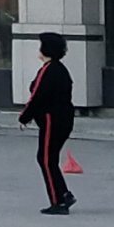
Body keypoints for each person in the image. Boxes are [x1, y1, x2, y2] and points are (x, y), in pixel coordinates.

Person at [19, 31, 77, 215]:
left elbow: (37, 96)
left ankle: (57, 201)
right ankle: (64, 194)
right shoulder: (59, 69)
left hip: (52, 119)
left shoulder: (49, 70)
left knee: (45, 159)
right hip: (63, 118)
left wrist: (24, 117)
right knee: (49, 159)